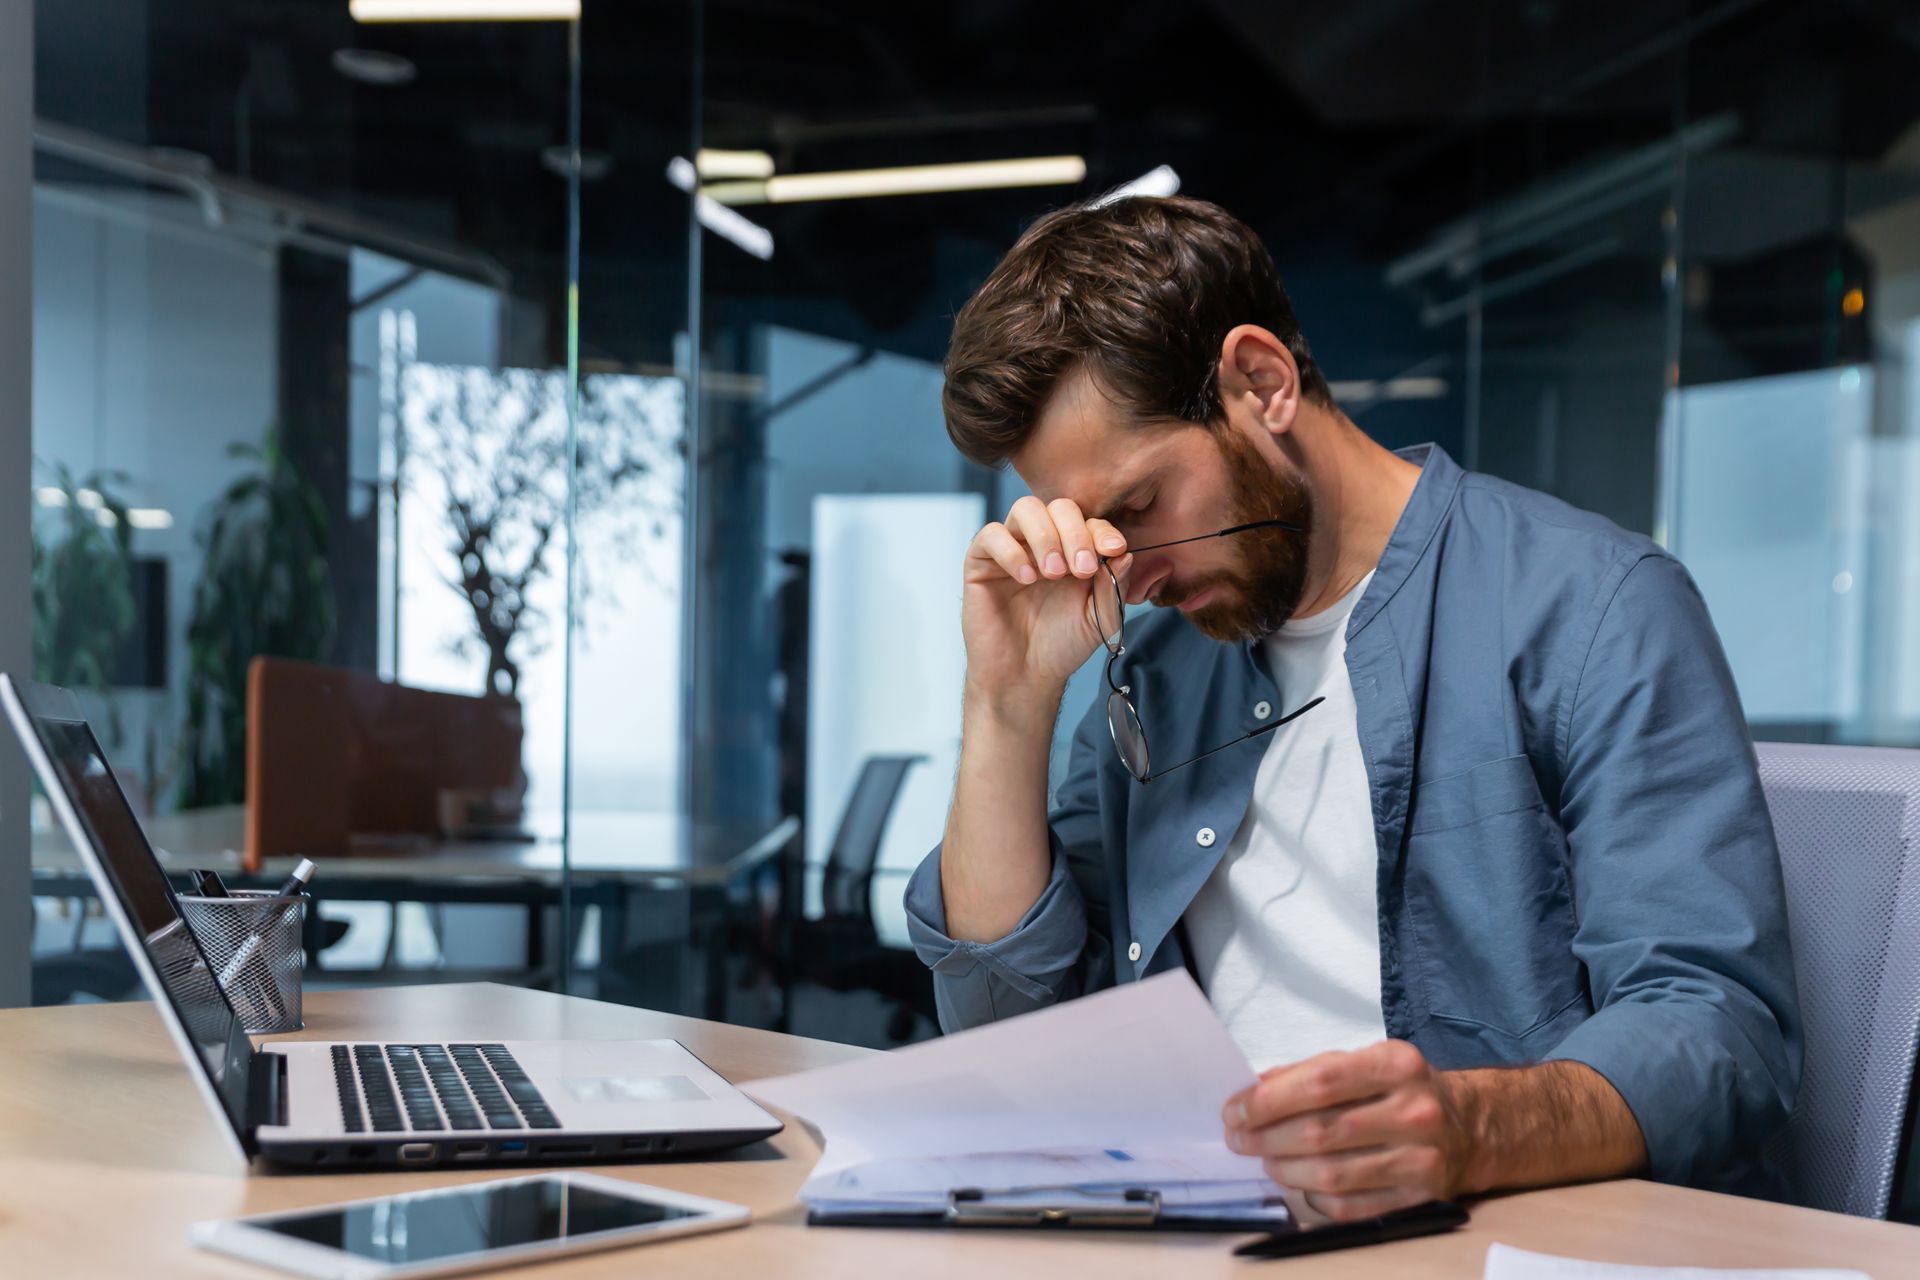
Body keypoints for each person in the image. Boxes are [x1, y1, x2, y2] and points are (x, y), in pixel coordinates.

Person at [903, 195, 1800, 1219]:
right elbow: (1007, 1031)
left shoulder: (1591, 604)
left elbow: (1720, 1027)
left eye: (1141, 507)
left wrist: (1471, 1131)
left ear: (1262, 382)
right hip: (1205, 1222)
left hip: (1489, 1230)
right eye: (1096, 530)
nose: (1131, 573)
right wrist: (1009, 702)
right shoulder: (1157, 665)